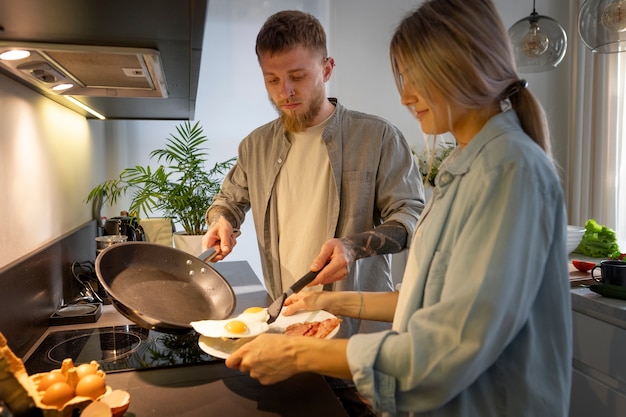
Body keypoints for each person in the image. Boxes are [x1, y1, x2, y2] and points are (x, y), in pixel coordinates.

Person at [224, 1, 572, 416]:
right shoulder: (470, 165)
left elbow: (445, 350)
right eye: (273, 80)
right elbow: (427, 300)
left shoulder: (508, 170)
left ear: (463, 69)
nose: (405, 96)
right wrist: (333, 304)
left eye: (416, 78)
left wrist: (298, 353)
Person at [203, 10, 424, 338]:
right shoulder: (256, 146)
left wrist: (353, 247)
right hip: (287, 320)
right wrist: (221, 220)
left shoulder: (378, 137)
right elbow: (229, 201)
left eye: (298, 76)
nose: (285, 92)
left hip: (358, 333)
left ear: (327, 68)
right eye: (272, 80)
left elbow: (410, 218)